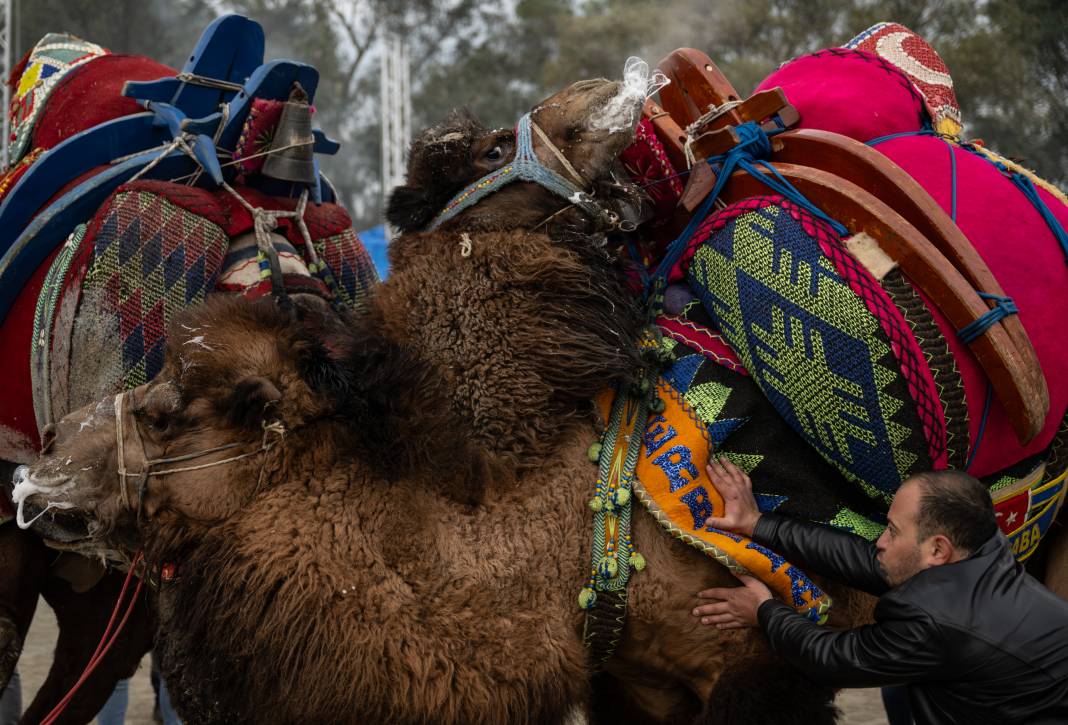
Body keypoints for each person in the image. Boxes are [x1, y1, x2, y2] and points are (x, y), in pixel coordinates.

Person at [692, 457, 1068, 725]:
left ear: (938, 548)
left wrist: (764, 610)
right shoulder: (984, 548)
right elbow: (867, 561)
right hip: (1003, 688)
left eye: (892, 530)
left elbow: (831, 657)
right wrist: (756, 524)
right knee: (898, 691)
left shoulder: (934, 622)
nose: (881, 541)